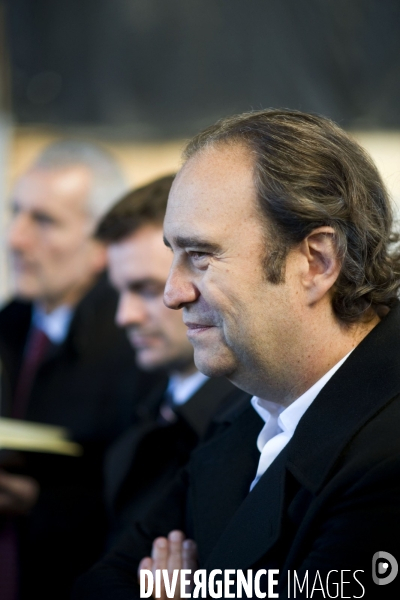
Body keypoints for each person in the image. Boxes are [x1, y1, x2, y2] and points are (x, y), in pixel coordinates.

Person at [74, 110, 400, 599]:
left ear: (317, 261)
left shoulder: (386, 459)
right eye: (172, 256)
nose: (173, 293)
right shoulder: (242, 408)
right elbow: (105, 582)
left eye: (200, 256)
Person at [0, 141, 156, 600]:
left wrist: (35, 502)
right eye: (16, 212)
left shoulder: (139, 346)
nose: (16, 238)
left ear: (100, 248)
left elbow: (145, 503)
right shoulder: (9, 324)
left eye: (44, 221)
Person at [95, 175, 249, 544]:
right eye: (118, 292)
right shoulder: (145, 412)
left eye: (146, 290)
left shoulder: (252, 427)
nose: (124, 316)